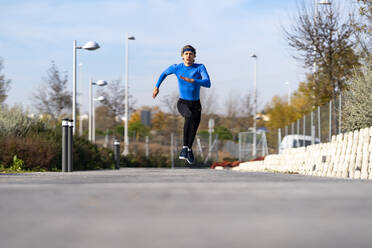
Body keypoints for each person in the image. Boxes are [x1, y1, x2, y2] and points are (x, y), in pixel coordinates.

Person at [152, 45, 211, 164]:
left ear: (194, 56)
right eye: (186, 54)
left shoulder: (200, 67)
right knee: (188, 117)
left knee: (194, 127)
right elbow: (164, 73)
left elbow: (208, 83)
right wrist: (157, 87)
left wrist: (194, 80)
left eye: (191, 54)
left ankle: (189, 150)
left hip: (196, 104)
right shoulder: (177, 67)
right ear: (182, 56)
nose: (188, 56)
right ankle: (184, 148)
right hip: (183, 102)